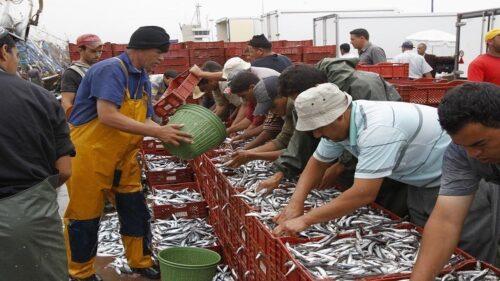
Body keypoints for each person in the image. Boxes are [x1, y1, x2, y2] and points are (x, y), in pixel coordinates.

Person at [65, 26, 192, 281]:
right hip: (91, 155)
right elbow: (107, 115)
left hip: (124, 156)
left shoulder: (142, 76)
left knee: (135, 210)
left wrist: (171, 134)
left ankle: (140, 262)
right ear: (142, 49)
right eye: (159, 52)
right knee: (85, 217)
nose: (162, 59)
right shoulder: (111, 69)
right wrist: (159, 133)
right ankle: (81, 273)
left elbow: (145, 118)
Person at [0, 27, 74, 281]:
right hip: (25, 218)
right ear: (4, 52)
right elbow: (64, 170)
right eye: (17, 54)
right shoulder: (41, 98)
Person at [411, 83, 500, 280]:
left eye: (480, 144)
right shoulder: (461, 152)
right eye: (463, 145)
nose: (473, 154)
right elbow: (446, 220)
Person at [227, 73, 280, 146]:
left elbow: (263, 127)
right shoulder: (254, 99)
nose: (244, 99)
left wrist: (246, 148)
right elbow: (268, 125)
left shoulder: (265, 96)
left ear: (251, 87)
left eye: (243, 96)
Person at [61, 34, 103, 117]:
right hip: (85, 120)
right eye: (93, 51)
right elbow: (66, 102)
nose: (97, 55)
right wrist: (76, 122)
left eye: (100, 51)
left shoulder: (99, 69)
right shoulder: (72, 73)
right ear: (81, 50)